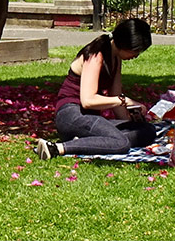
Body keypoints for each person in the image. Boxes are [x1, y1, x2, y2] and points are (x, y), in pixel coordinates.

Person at [36, 18, 156, 158]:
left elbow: (115, 96)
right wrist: (125, 101)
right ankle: (57, 148)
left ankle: (87, 142)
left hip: (90, 117)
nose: (135, 56)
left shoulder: (115, 59)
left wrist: (131, 119)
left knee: (147, 131)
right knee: (122, 143)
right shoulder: (96, 55)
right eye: (135, 50)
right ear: (124, 44)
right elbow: (88, 100)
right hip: (72, 114)